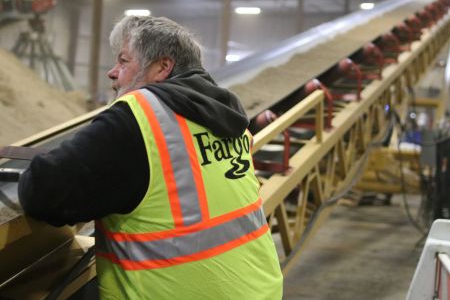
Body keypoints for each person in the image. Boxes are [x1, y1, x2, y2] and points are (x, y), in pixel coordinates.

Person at [18, 15, 283, 299]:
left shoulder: (140, 116)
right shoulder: (226, 114)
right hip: (260, 288)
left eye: (123, 61)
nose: (112, 72)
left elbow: (45, 190)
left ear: (162, 67)